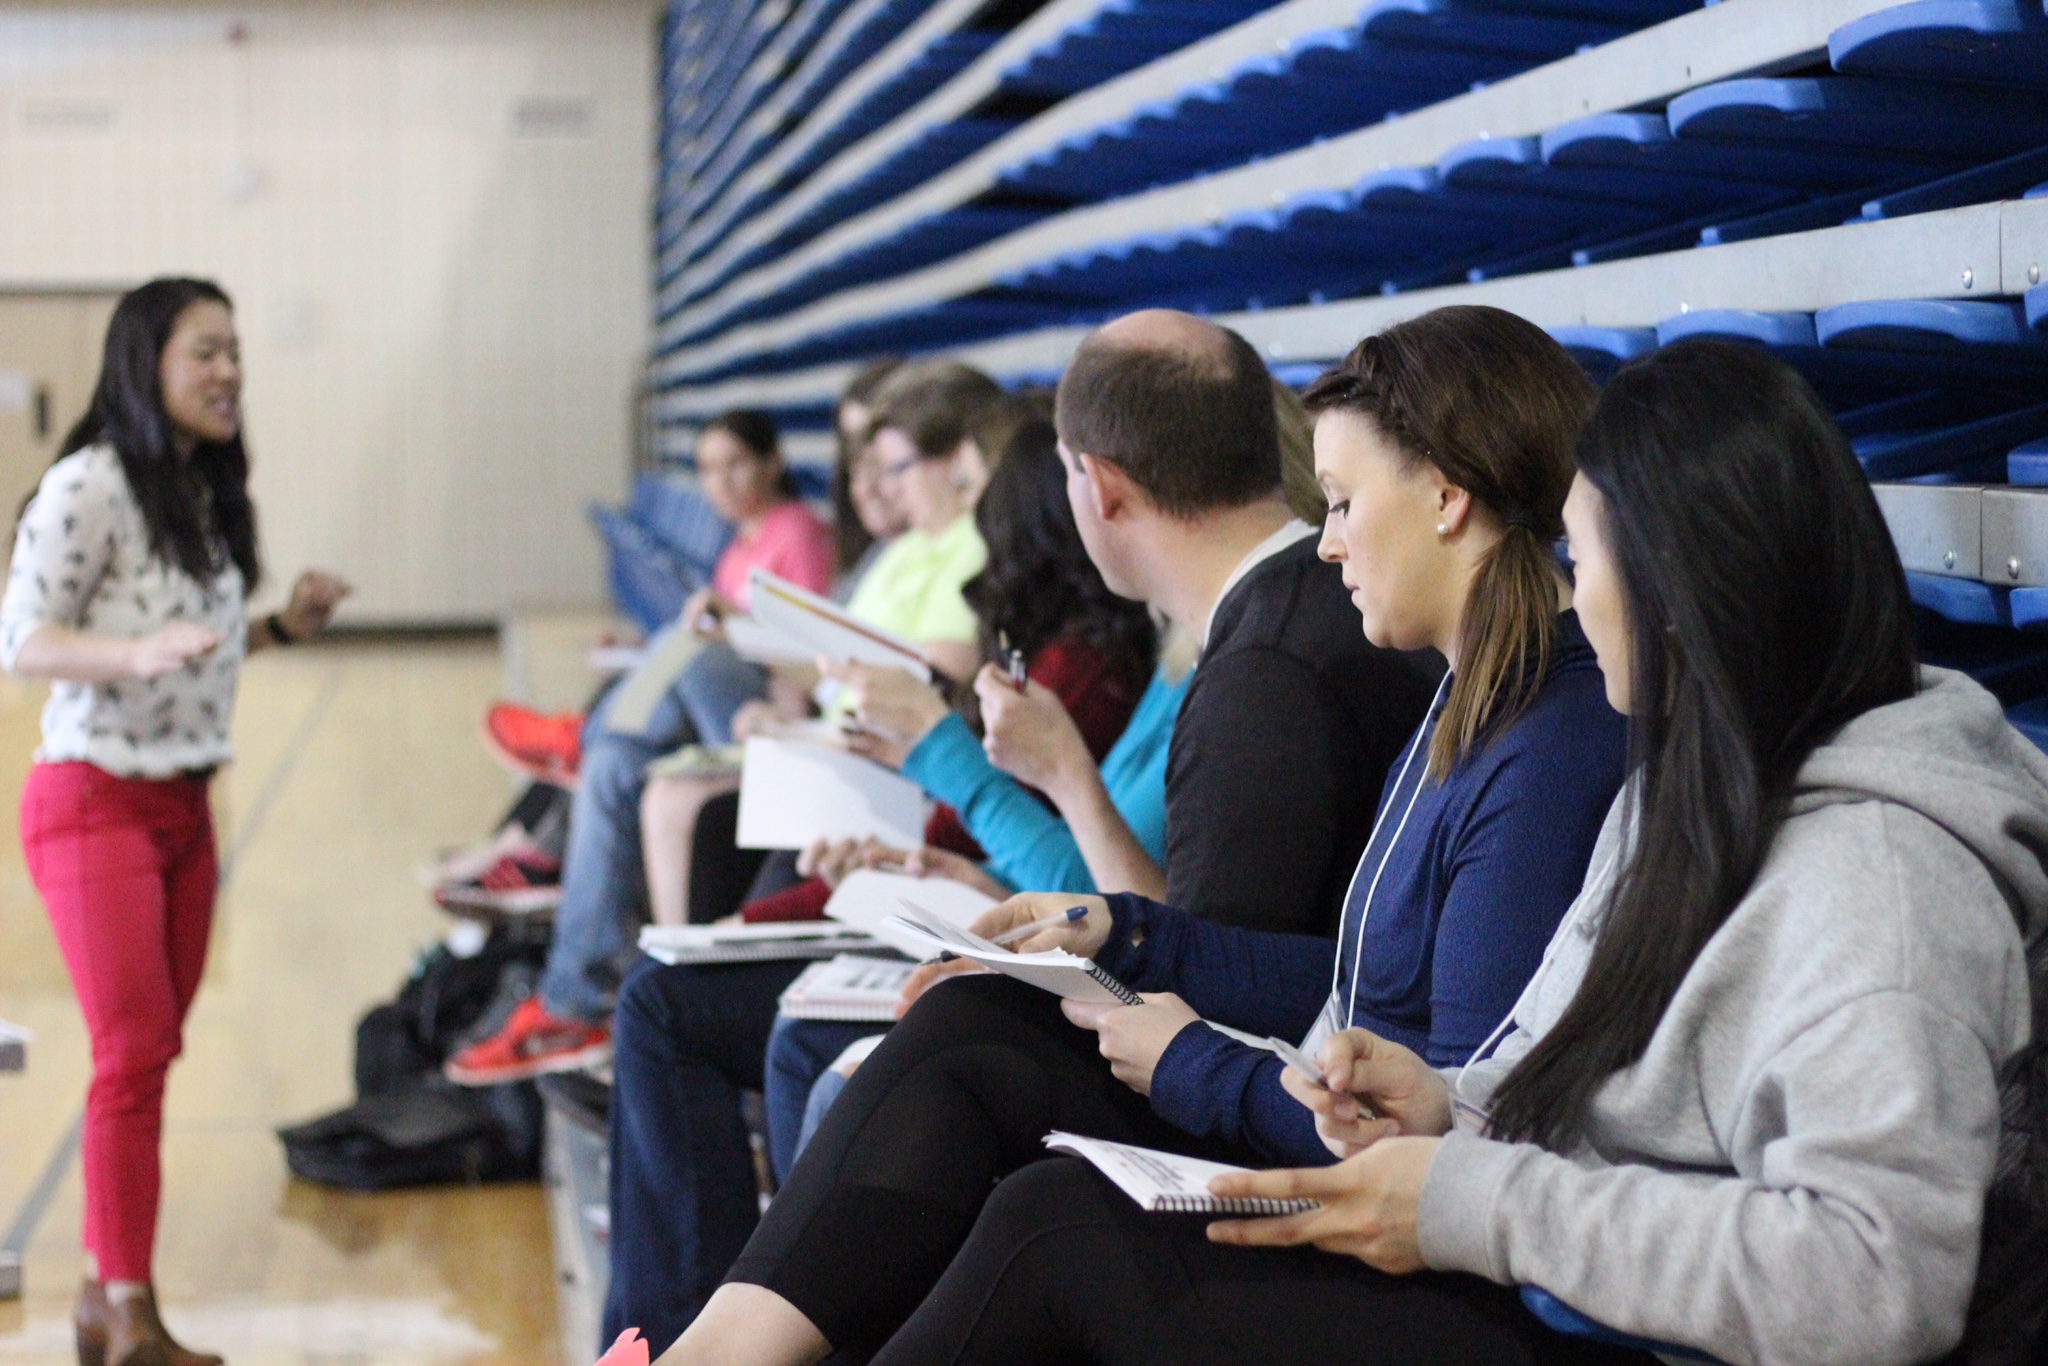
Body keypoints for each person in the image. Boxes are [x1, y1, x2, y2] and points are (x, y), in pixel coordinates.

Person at [840, 339, 2045, 1366]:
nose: (1572, 597)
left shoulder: (1879, 887)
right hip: (1555, 1284)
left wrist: (1476, 1190)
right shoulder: (1682, 786)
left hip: (1609, 1330)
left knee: (1064, 1242)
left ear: (1677, 583)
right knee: (1047, 1196)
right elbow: (1548, 1082)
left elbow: (1875, 1281)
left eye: (1587, 559)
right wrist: (1440, 1109)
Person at [658, 304, 1629, 1365]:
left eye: (1345, 502)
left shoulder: (1542, 743)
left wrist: (1191, 1064)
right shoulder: (1466, 697)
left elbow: (1438, 1140)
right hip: (1333, 1131)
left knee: (1056, 1222)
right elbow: (1359, 986)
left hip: (1447, 1261)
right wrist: (1121, 934)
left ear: (1445, 499)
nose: (1332, 539)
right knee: (971, 1031)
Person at [601, 417, 1158, 1352]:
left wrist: (955, 781)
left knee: (756, 1028)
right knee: (678, 952)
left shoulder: (1093, 672)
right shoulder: (1132, 667)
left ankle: (715, 1330)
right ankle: (692, 1328)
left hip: (1056, 977)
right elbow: (1051, 858)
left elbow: (1119, 901)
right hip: (971, 907)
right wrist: (943, 854)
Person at [0, 278, 352, 1366]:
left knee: (149, 1054)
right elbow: (23, 640)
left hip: (186, 802)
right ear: (144, 362)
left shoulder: (198, 490)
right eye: (205, 351)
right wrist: (128, 657)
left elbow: (199, 643)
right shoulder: (88, 484)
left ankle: (111, 1306)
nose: (229, 371)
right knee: (133, 1049)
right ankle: (127, 1307)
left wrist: (282, 628)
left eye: (236, 352)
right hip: (92, 798)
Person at [446, 410, 834, 1085]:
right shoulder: (738, 546)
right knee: (617, 765)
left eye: (735, 464)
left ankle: (573, 751)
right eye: (709, 468)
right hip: (722, 704)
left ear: (772, 463)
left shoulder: (795, 533)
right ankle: (572, 1002)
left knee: (682, 649)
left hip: (772, 713)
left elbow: (801, 657)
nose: (721, 483)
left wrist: (717, 629)